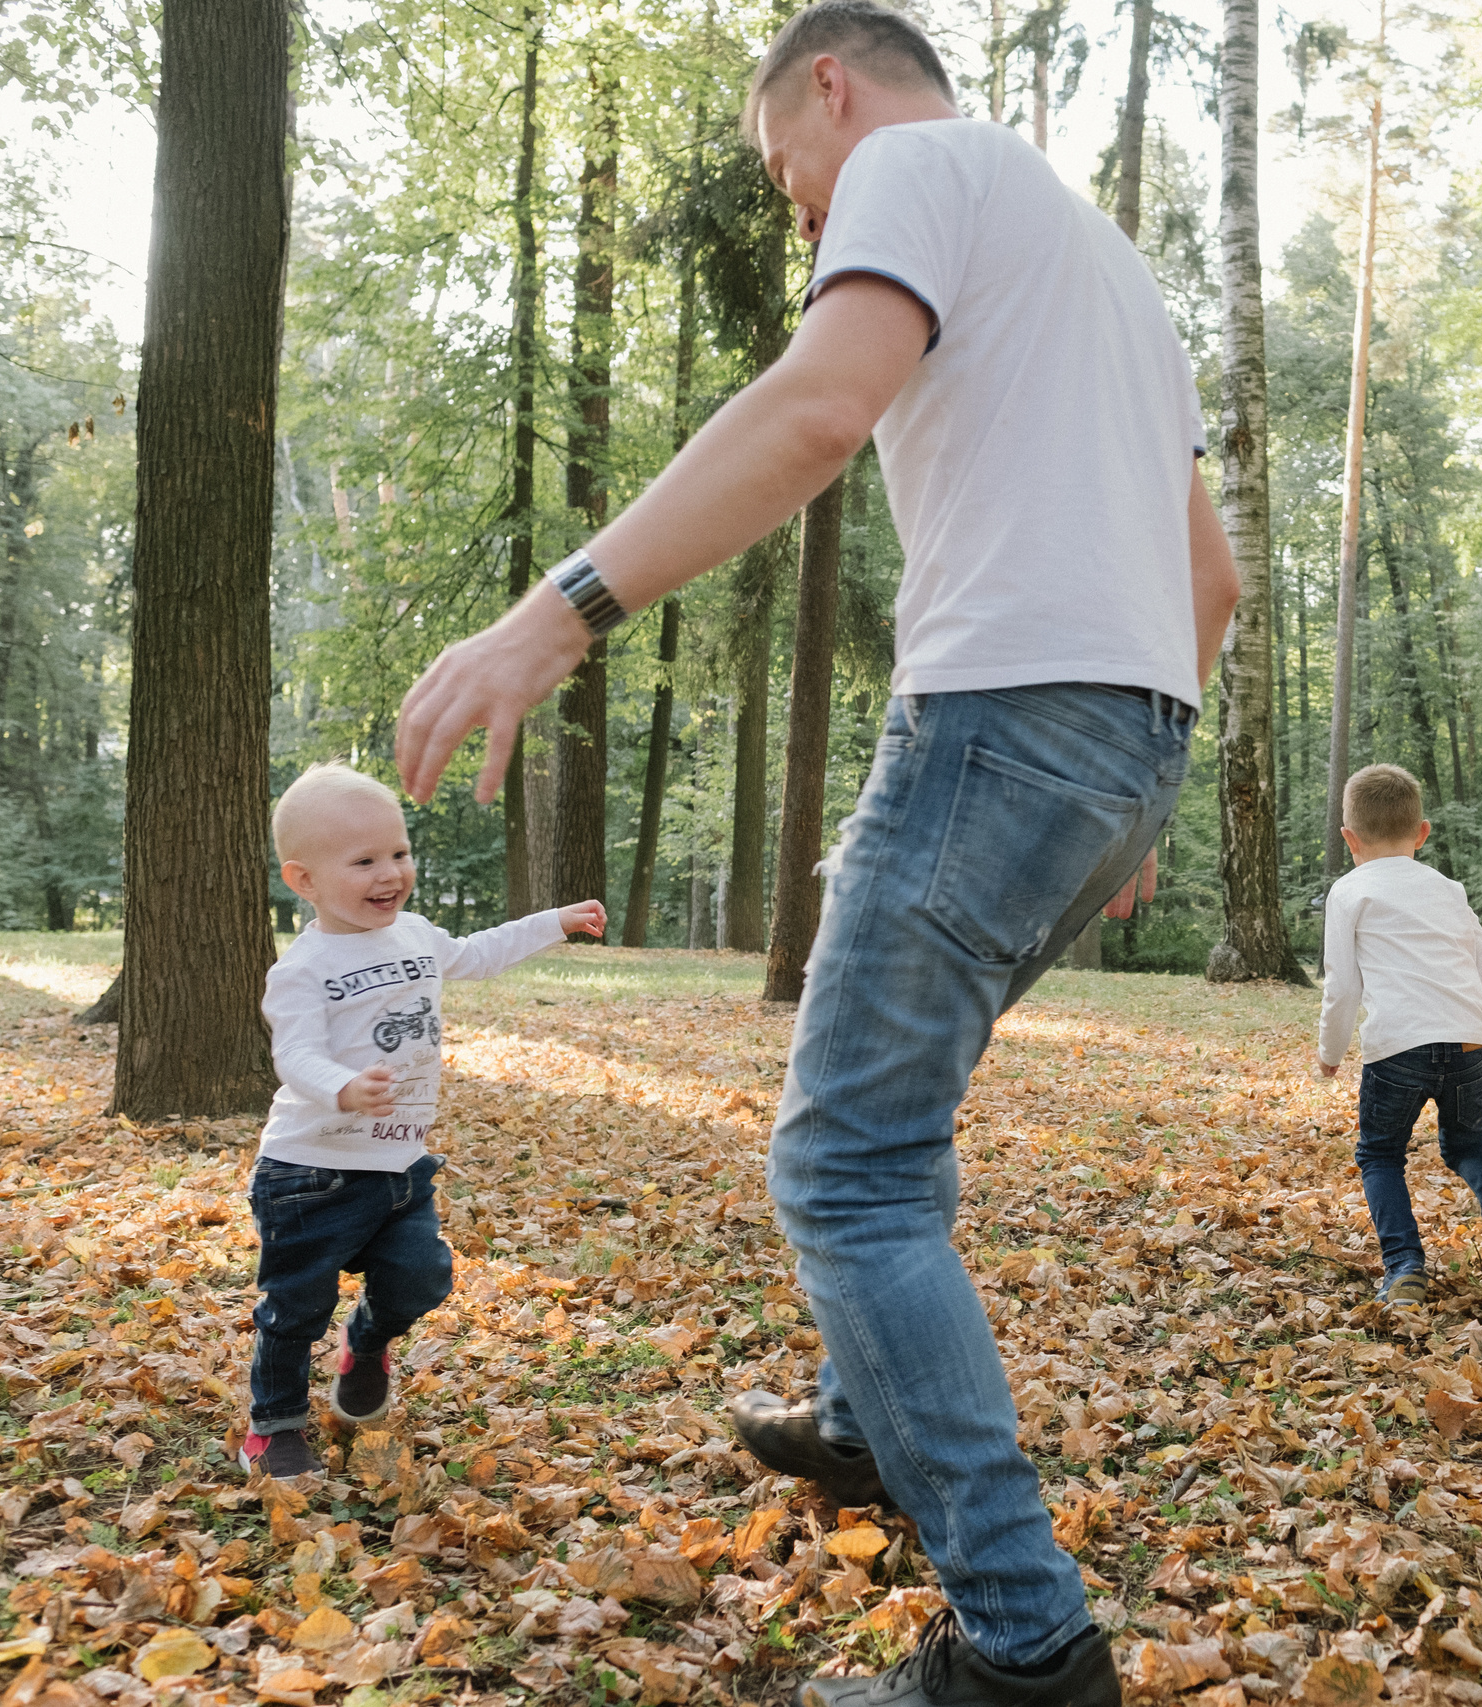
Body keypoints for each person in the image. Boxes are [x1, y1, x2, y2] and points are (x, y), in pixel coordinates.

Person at [389, 3, 1237, 1700]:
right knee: (887, 1116)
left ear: (831, 90)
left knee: (842, 1169)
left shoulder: (913, 160)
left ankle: (1023, 1643)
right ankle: (865, 1424)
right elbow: (1209, 579)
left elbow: (822, 406)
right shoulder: (1115, 270)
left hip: (1001, 714)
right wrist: (1134, 788)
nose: (805, 222)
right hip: (1122, 733)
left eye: (792, 182)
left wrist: (561, 613)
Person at [246, 763, 604, 1480]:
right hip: (309, 1171)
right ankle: (275, 1424)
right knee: (294, 1308)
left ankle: (368, 1343)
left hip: (399, 1166)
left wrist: (554, 923)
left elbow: (475, 953)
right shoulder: (304, 967)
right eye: (365, 861)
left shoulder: (413, 933)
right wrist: (342, 1086)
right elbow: (295, 1054)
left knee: (422, 1277)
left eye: (399, 853)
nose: (391, 873)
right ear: (304, 879)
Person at [1315, 765, 1482, 1309]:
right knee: (1468, 1145)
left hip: (1397, 1048)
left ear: (1349, 839)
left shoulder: (1349, 892)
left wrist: (1329, 1053)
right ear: (1422, 832)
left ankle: (1405, 1267)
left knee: (1380, 1154)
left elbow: (1342, 987)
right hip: (1467, 1043)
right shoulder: (1447, 889)